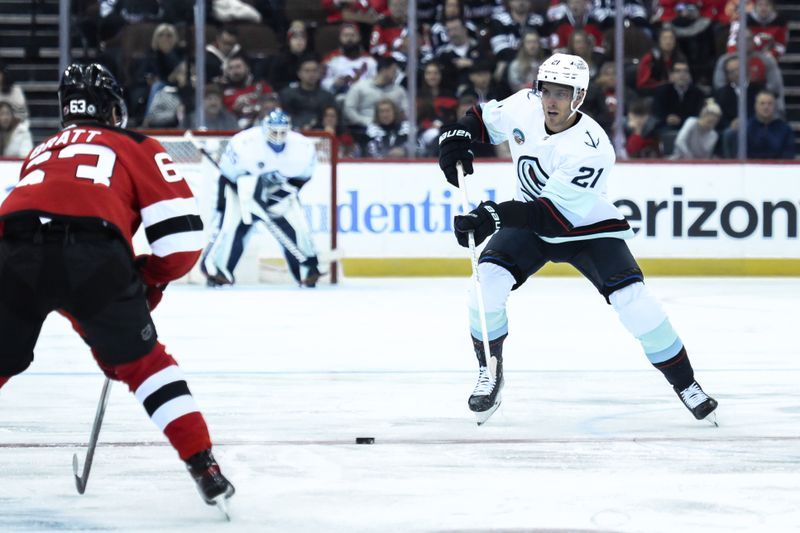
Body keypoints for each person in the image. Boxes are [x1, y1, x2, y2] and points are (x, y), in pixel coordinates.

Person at [436, 53, 719, 425]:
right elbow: (481, 119)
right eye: (546, 90)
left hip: (586, 229)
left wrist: (494, 214)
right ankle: (489, 371)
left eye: (561, 93)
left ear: (579, 97)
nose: (550, 101)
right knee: (485, 285)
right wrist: (456, 137)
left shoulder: (592, 147)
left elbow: (552, 217)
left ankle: (687, 385)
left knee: (634, 301)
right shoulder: (525, 105)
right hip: (528, 220)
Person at [0, 64, 235, 508]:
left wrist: (101, 333)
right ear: (112, 110)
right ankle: (204, 466)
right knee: (147, 366)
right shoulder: (135, 144)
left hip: (11, 251)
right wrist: (144, 283)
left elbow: (45, 262)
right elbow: (182, 240)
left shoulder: (42, 150)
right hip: (93, 256)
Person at [201, 109, 321, 287]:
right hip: (242, 190)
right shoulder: (245, 143)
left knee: (298, 227)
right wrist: (231, 202)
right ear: (265, 129)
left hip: (281, 191)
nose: (278, 136)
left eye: (282, 132)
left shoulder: (302, 147)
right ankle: (220, 271)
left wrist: (272, 199)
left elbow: (301, 179)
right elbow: (226, 176)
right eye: (274, 131)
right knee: (231, 227)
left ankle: (306, 272)